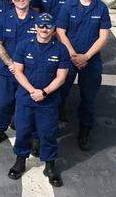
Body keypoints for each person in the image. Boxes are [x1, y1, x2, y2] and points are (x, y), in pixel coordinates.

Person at [9, 12, 70, 187]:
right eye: (41, 26)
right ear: (35, 27)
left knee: (48, 133)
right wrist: (32, 91)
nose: (44, 29)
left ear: (53, 29)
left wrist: (44, 92)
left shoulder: (61, 50)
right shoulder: (23, 46)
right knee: (23, 131)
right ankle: (20, 161)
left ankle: (50, 166)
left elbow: (61, 77)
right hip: (25, 99)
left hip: (48, 101)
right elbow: (18, 71)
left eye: (48, 26)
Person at [56, 0, 111, 151]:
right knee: (60, 91)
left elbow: (103, 37)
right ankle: (55, 121)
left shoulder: (101, 8)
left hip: (90, 60)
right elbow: (60, 31)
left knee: (89, 97)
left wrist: (86, 56)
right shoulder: (68, 6)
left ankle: (85, 130)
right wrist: (73, 54)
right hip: (69, 58)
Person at [0, 0, 40, 148]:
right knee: (3, 102)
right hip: (7, 71)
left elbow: (45, 43)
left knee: (29, 105)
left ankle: (33, 136)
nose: (21, 0)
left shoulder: (39, 19)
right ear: (13, 0)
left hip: (30, 72)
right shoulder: (4, 18)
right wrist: (11, 64)